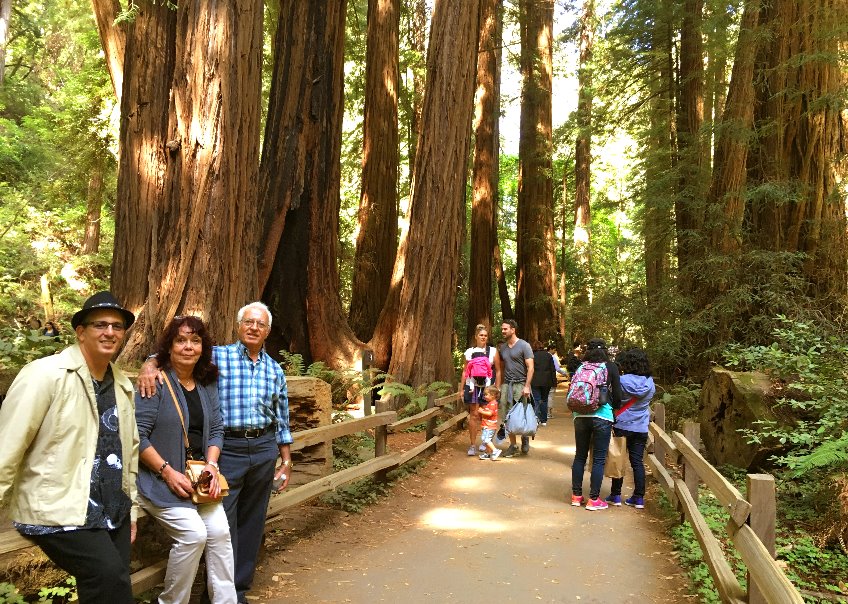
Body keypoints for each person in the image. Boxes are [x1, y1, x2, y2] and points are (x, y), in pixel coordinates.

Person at [139, 302, 292, 604]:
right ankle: (207, 595)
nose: (253, 328)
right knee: (222, 524)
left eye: (260, 324)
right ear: (238, 326)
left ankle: (237, 593)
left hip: (260, 448)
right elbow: (177, 351)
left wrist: (286, 459)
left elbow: (282, 417)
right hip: (228, 451)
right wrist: (149, 363)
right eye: (248, 322)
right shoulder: (217, 357)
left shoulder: (274, 369)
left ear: (268, 331)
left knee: (249, 524)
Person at [0, 291, 139, 602]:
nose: (110, 332)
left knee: (115, 586)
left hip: (113, 508)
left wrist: (132, 510)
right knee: (108, 579)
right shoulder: (44, 375)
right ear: (81, 332)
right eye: (100, 324)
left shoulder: (122, 384)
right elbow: (7, 445)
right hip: (58, 507)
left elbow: (128, 451)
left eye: (117, 327)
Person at [135, 316, 236, 603]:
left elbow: (216, 429)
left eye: (195, 340)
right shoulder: (154, 381)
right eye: (180, 340)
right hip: (159, 480)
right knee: (194, 535)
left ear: (203, 347)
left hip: (199, 480)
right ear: (169, 347)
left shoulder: (206, 383)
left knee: (219, 533)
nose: (188, 346)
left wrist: (212, 466)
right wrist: (167, 471)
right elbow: (136, 437)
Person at [570, 338, 623, 511]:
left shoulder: (581, 367)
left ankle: (576, 496)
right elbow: (618, 397)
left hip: (580, 416)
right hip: (602, 415)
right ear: (605, 351)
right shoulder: (611, 367)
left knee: (580, 456)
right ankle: (594, 499)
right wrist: (614, 408)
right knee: (599, 459)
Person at [605, 348, 655, 509]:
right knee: (637, 462)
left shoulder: (622, 380)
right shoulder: (650, 382)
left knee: (618, 458)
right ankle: (638, 498)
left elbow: (613, 399)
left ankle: (616, 495)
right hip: (640, 427)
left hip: (622, 424)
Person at [496, 319, 534, 457]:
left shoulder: (524, 345)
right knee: (507, 415)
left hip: (521, 384)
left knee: (521, 412)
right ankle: (513, 445)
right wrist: (498, 386)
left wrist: (527, 386)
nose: (503, 331)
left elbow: (531, 368)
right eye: (502, 329)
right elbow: (500, 368)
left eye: (505, 329)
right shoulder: (503, 348)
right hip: (507, 384)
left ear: (513, 329)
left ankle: (525, 437)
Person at [461, 324, 501, 456]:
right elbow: (465, 371)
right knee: (474, 414)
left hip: (488, 387)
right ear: (476, 337)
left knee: (488, 414)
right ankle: (472, 444)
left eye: (485, 335)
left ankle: (485, 442)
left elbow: (499, 371)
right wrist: (461, 389)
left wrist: (497, 388)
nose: (483, 337)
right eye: (481, 335)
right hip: (472, 385)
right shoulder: (469, 351)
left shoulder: (493, 351)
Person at [530, 341, 556, 426]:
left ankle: (536, 418)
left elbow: (530, 369)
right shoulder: (548, 355)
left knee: (536, 400)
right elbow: (553, 369)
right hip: (546, 381)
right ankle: (544, 420)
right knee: (544, 400)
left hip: (535, 381)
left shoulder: (532, 356)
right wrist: (554, 382)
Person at [477, 386, 502, 461]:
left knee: (485, 439)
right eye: (484, 394)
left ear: (493, 395)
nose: (484, 396)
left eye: (486, 394)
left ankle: (495, 450)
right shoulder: (490, 403)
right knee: (488, 440)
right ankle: (488, 454)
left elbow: (490, 413)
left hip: (489, 426)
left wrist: (482, 412)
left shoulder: (492, 404)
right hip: (488, 425)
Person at [546, 343, 568, 419]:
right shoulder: (552, 357)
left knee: (542, 396)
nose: (555, 351)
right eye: (554, 349)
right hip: (550, 379)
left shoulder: (542, 356)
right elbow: (557, 369)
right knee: (550, 396)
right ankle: (548, 413)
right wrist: (565, 373)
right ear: (550, 349)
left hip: (540, 380)